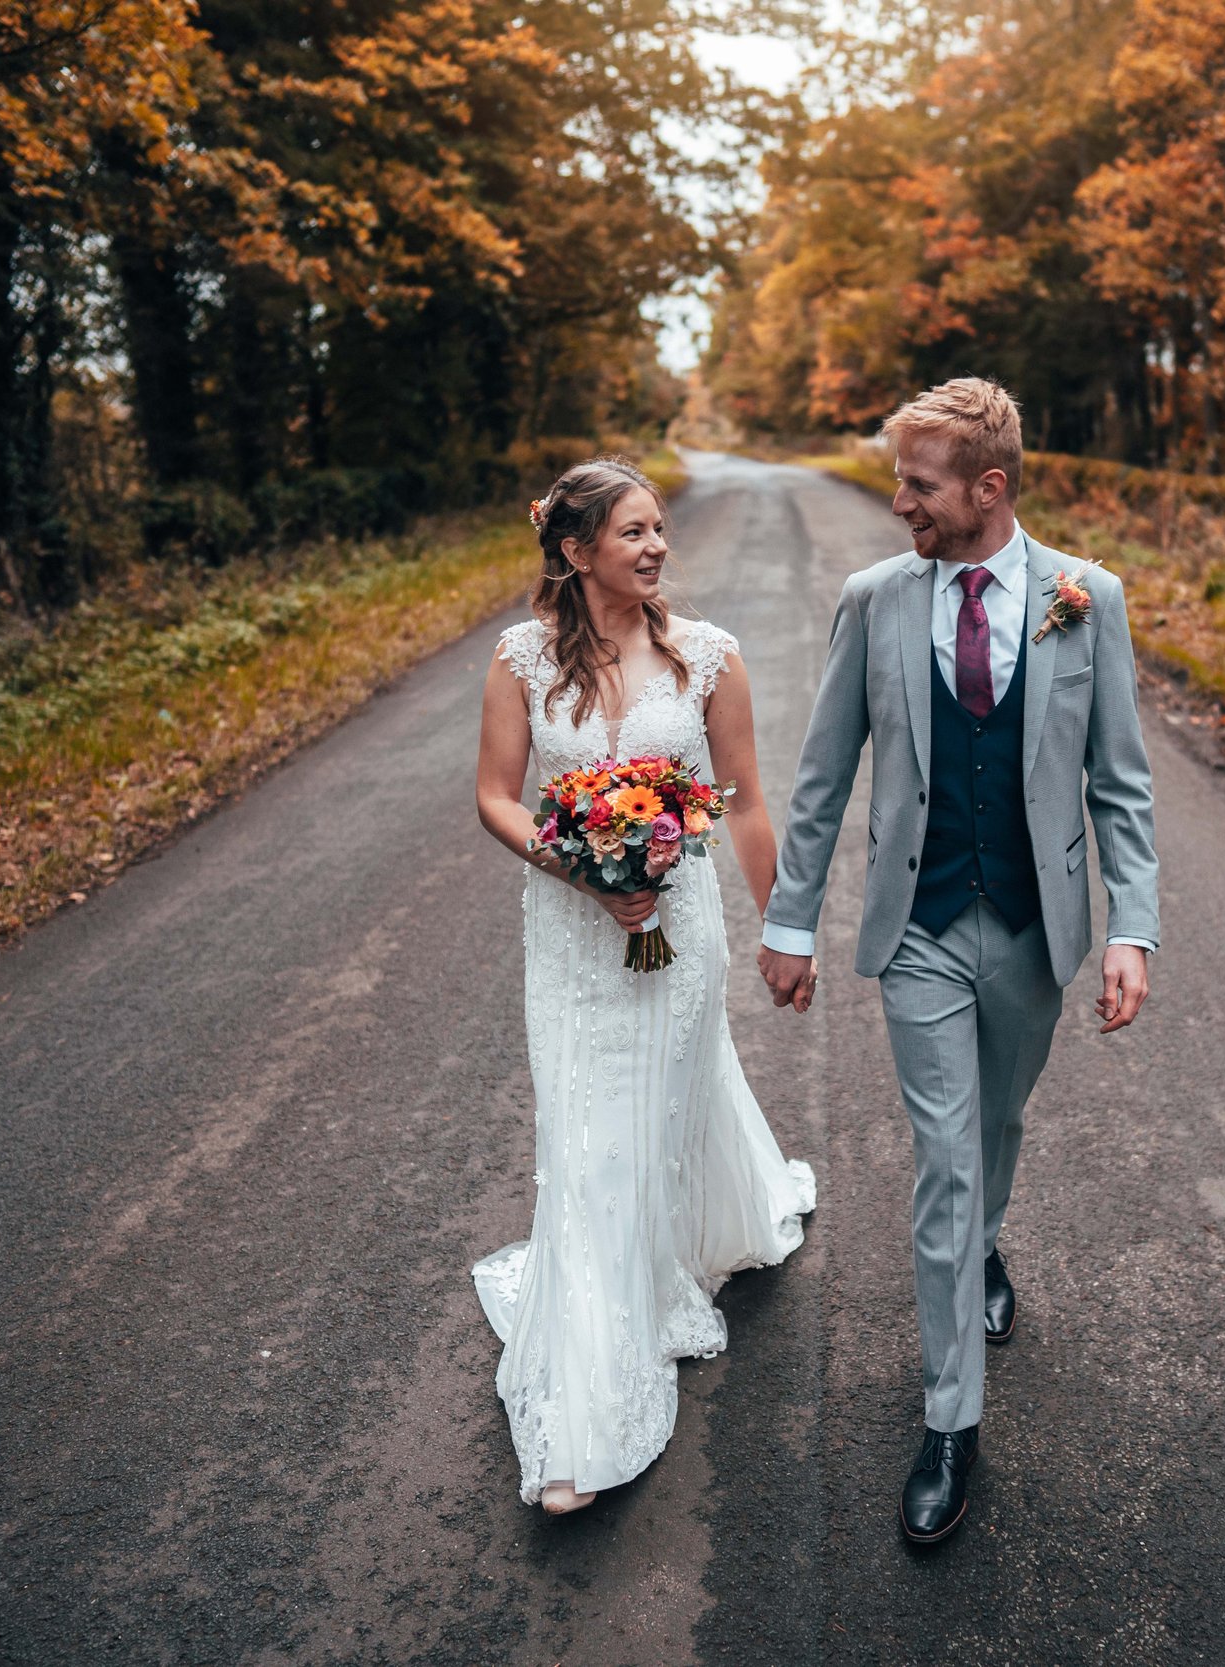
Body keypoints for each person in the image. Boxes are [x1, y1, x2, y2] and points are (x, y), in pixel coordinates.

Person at [758, 380, 1160, 1543]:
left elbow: (1121, 785)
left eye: (920, 486)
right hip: (922, 925)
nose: (900, 505)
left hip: (1036, 926)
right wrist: (790, 921)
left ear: (988, 489)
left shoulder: (1090, 602)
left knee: (997, 1123)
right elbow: (824, 776)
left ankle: (987, 1241)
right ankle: (949, 1420)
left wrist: (1130, 928)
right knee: (942, 1154)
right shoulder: (873, 602)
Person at [471, 456, 816, 1515]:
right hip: (573, 937)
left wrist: (782, 926)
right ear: (576, 552)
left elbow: (748, 800)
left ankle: (688, 1238)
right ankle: (587, 1410)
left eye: (659, 528)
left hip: (685, 929)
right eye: (632, 532)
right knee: (583, 1140)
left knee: (661, 1112)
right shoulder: (521, 660)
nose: (657, 546)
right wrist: (577, 865)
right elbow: (494, 796)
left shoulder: (709, 656)